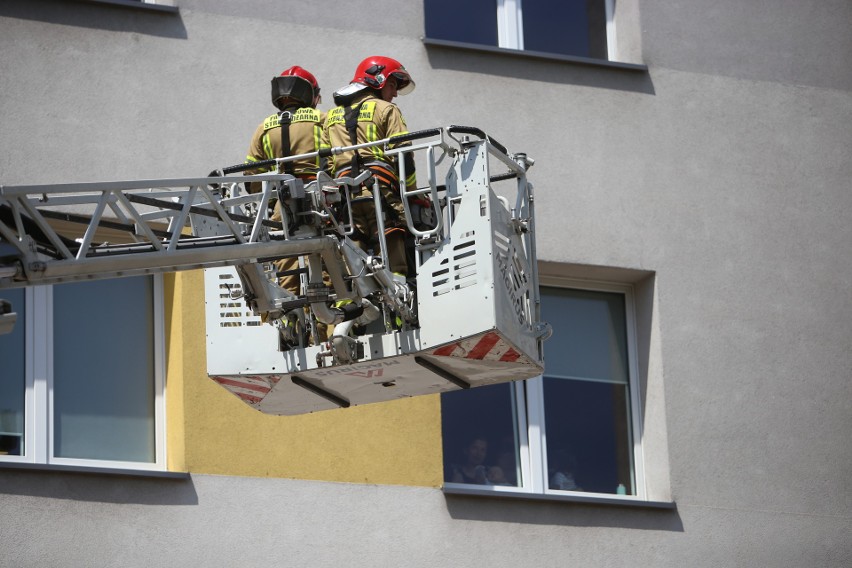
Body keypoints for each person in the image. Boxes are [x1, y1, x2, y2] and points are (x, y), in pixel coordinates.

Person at [243, 65, 328, 338]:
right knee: (328, 255)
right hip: (318, 196)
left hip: (282, 201)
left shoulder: (264, 127)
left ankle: (290, 318)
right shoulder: (321, 119)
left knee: (285, 260)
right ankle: (330, 323)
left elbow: (251, 178)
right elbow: (338, 159)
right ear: (310, 94)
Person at [322, 56, 418, 278]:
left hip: (344, 197)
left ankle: (356, 305)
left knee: (353, 261)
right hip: (381, 193)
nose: (394, 93)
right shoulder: (387, 109)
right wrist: (411, 194)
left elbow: (325, 165)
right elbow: (404, 156)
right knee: (396, 256)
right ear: (379, 80)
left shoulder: (330, 117)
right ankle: (399, 310)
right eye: (393, 84)